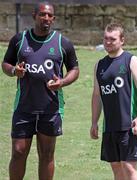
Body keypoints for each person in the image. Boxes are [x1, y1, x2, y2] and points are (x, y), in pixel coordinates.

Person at [1, 1, 79, 180]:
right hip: (24, 107)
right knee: (18, 152)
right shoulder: (20, 40)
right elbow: (6, 64)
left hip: (50, 109)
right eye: (43, 14)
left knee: (46, 154)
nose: (46, 18)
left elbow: (75, 69)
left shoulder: (63, 43)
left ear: (54, 18)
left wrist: (62, 82)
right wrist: (14, 71)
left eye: (50, 15)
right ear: (34, 16)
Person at [90, 23, 137, 180]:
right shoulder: (99, 65)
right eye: (106, 38)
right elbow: (97, 95)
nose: (108, 42)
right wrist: (94, 122)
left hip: (129, 125)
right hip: (109, 126)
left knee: (129, 168)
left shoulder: (131, 60)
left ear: (122, 40)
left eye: (113, 39)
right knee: (116, 168)